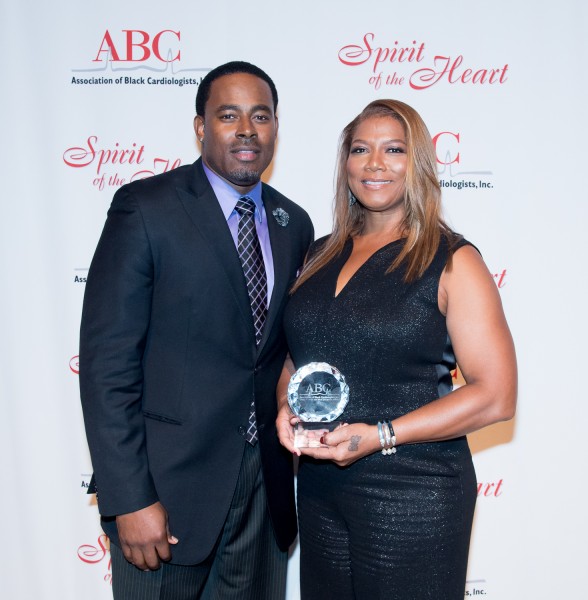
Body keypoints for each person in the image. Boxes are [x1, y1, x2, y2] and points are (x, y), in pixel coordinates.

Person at [79, 60, 314, 599]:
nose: (247, 130)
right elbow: (107, 363)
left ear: (276, 125)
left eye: (261, 116)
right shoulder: (146, 208)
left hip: (263, 497)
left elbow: (277, 353)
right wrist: (128, 497)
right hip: (166, 495)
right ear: (200, 126)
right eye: (228, 115)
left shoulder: (293, 223)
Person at [276, 99, 517, 599]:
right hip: (322, 488)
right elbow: (298, 358)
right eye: (361, 149)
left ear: (419, 163)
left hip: (414, 491)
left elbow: (496, 395)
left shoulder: (452, 259)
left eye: (394, 149)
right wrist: (286, 406)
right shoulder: (318, 254)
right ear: (346, 164)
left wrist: (380, 435)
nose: (375, 163)